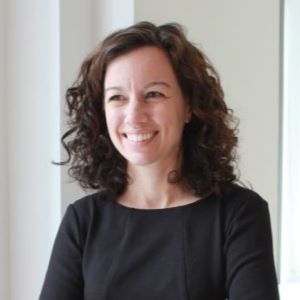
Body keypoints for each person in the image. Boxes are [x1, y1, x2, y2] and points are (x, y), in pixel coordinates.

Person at [39, 22, 280, 300]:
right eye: (117, 97)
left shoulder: (239, 214)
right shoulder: (83, 221)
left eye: (153, 94)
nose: (134, 114)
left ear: (189, 105)